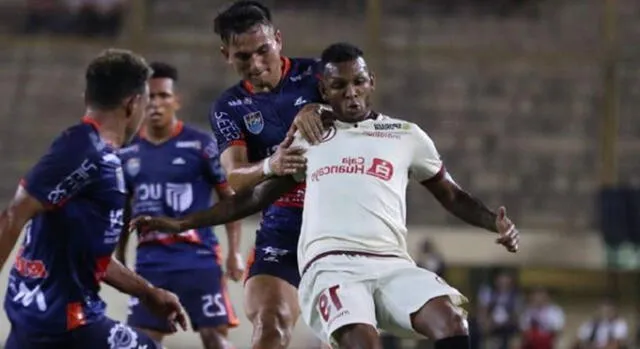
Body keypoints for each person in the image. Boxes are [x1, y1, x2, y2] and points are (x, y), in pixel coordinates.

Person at [131, 42, 520, 349]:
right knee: (361, 342)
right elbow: (252, 199)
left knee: (453, 323)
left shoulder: (407, 135)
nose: (351, 94)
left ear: (371, 81)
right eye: (339, 85)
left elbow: (451, 195)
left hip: (392, 265)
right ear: (323, 90)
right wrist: (182, 222)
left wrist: (494, 222)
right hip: (332, 267)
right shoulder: (310, 138)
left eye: (358, 82)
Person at [0, 49, 187, 349]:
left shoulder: (98, 156)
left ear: (87, 95)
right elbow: (12, 216)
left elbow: (91, 254)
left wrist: (148, 292)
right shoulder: (82, 148)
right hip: (65, 324)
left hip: (42, 324)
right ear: (133, 103)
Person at [208, 1, 325, 348]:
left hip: (341, 221)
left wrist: (319, 107)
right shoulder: (229, 106)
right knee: (270, 328)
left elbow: (363, 113)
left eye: (263, 50)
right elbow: (235, 177)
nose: (257, 65)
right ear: (226, 54)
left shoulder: (318, 75)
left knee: (352, 336)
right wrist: (271, 165)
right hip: (283, 225)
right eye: (243, 57)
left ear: (278, 40)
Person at [115, 62, 242, 349]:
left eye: (163, 96)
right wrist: (120, 253)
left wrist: (235, 251)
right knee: (140, 343)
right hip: (150, 265)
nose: (156, 104)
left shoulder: (201, 145)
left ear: (177, 100)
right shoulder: (128, 153)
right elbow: (123, 210)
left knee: (215, 339)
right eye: (150, 98)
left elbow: (230, 200)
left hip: (197, 259)